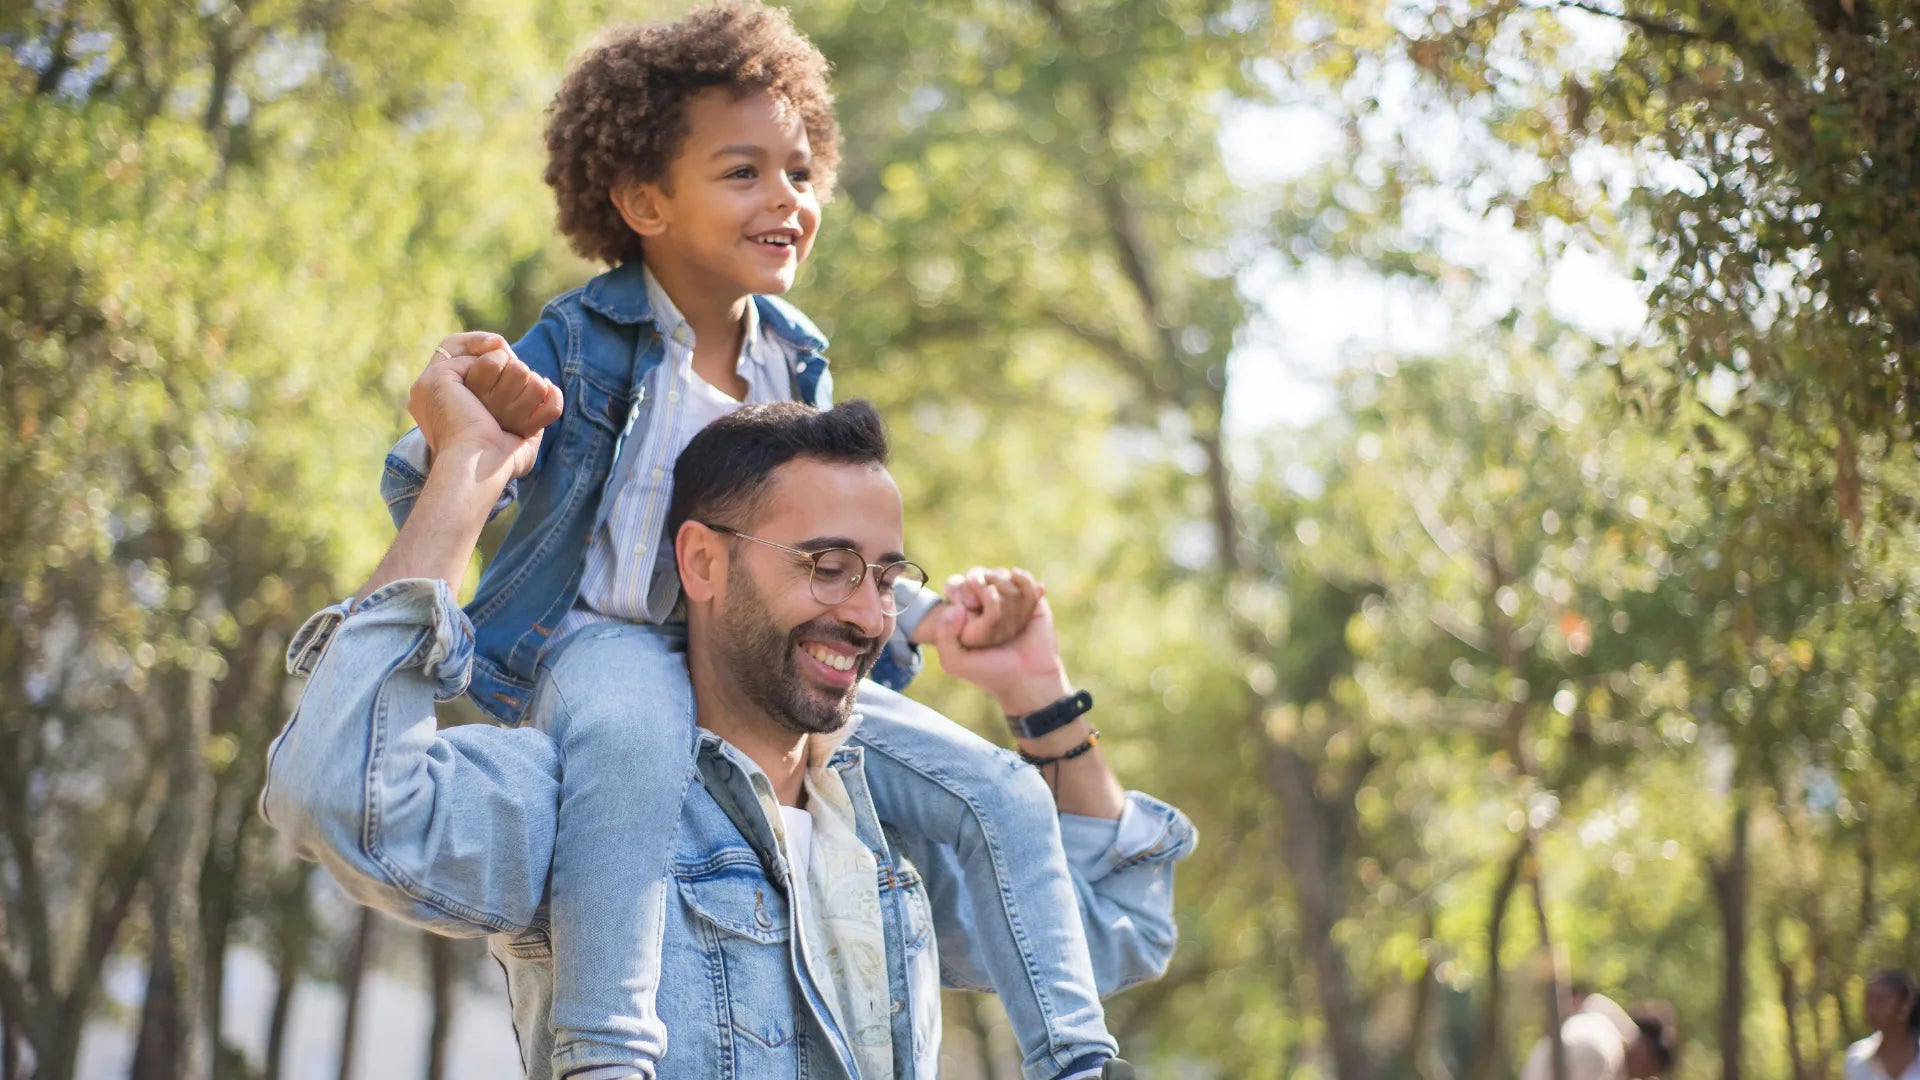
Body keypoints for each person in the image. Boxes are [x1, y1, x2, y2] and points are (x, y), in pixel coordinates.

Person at [378, 5, 1149, 1077]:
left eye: (799, 170)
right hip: (606, 643)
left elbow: (818, 543)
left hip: (757, 649)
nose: (788, 197)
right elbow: (417, 474)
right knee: (633, 759)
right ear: (645, 200)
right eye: (743, 173)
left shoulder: (797, 355)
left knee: (1002, 792)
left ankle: (1075, 1059)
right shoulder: (583, 337)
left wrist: (925, 615)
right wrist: (480, 428)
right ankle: (607, 1051)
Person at [261, 394, 1193, 1079]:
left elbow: (1122, 928)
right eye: (828, 567)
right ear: (702, 563)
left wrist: (1040, 697)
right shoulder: (589, 809)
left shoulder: (897, 846)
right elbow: (340, 795)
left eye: (886, 578)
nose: (871, 615)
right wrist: (462, 483)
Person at [1518, 993, 1679, 1080]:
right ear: (1644, 1048)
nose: (1643, 1075)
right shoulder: (1601, 1053)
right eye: (1648, 1067)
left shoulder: (1603, 1033)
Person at [1845, 969, 1920, 1080]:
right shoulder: (1857, 1059)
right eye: (1868, 1001)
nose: (1871, 1010)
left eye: (1881, 1001)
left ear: (1905, 1007)